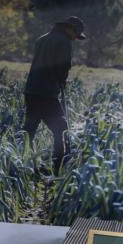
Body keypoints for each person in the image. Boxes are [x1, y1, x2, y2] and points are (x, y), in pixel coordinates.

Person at [23, 16, 87, 174]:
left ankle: (20, 163)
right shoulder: (64, 42)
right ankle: (59, 167)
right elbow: (62, 67)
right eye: (75, 33)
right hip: (47, 93)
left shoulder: (42, 39)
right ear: (69, 29)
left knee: (29, 130)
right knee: (62, 130)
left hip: (31, 90)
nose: (74, 38)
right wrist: (62, 81)